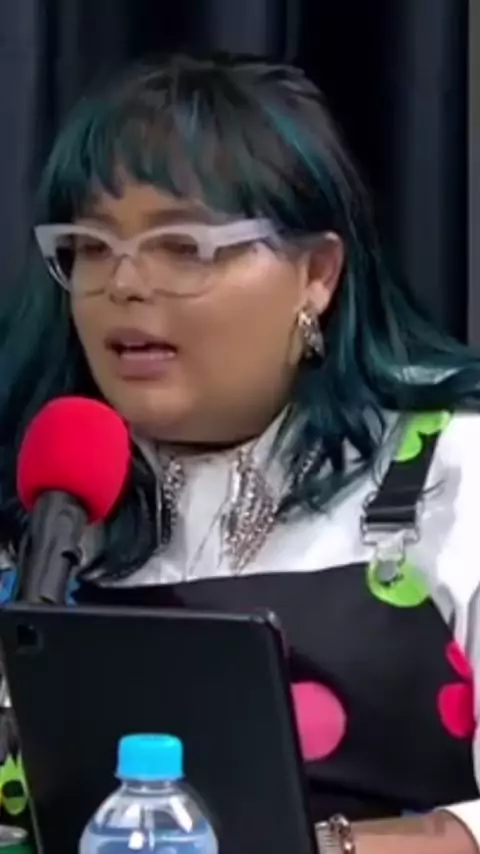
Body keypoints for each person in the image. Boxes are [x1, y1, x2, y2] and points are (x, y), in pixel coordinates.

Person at [0, 53, 479, 854]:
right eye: (91, 245)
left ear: (316, 274)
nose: (123, 284)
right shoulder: (48, 490)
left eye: (182, 246)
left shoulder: (450, 467)